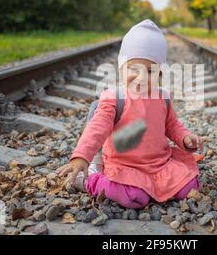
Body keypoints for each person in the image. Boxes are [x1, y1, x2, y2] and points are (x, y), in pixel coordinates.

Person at [56, 19, 203, 209]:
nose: (141, 77)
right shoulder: (115, 98)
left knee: (189, 187)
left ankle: (157, 184)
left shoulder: (162, 97)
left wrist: (185, 138)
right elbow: (97, 129)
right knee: (134, 198)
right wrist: (82, 156)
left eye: (150, 71)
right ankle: (89, 180)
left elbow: (171, 125)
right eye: (134, 68)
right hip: (125, 166)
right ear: (122, 68)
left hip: (158, 164)